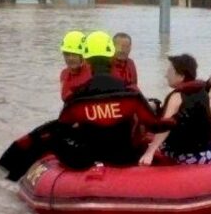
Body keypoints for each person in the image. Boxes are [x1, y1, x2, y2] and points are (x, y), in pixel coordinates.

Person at [54, 31, 175, 169]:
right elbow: (154, 125)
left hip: (89, 158)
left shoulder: (75, 99)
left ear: (86, 60)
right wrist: (177, 118)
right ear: (112, 57)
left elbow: (61, 129)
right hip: (124, 158)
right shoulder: (131, 93)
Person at [139, 54, 211, 166]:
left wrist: (149, 152)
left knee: (146, 143)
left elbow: (166, 126)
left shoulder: (176, 96)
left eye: (169, 72)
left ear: (181, 75)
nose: (166, 75)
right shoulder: (202, 92)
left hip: (190, 157)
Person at [59, 30, 92, 102]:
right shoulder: (64, 74)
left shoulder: (93, 72)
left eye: (74, 54)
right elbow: (65, 98)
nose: (70, 58)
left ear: (83, 54)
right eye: (67, 54)